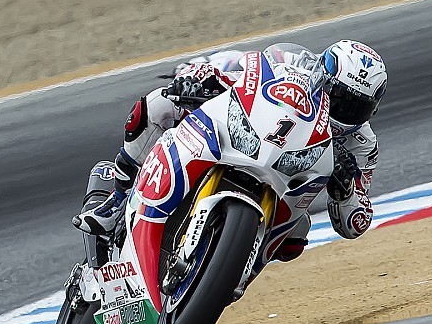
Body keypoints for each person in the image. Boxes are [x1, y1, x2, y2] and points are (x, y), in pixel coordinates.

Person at [73, 40, 387, 262]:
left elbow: (355, 222)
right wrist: (196, 77)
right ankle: (116, 201)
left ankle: (233, 265)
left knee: (297, 235)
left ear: (369, 112)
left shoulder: (361, 145)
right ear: (323, 77)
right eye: (338, 96)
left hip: (286, 186)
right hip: (246, 135)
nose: (342, 108)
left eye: (355, 106)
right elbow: (237, 65)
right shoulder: (290, 62)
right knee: (159, 104)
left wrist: (345, 187)